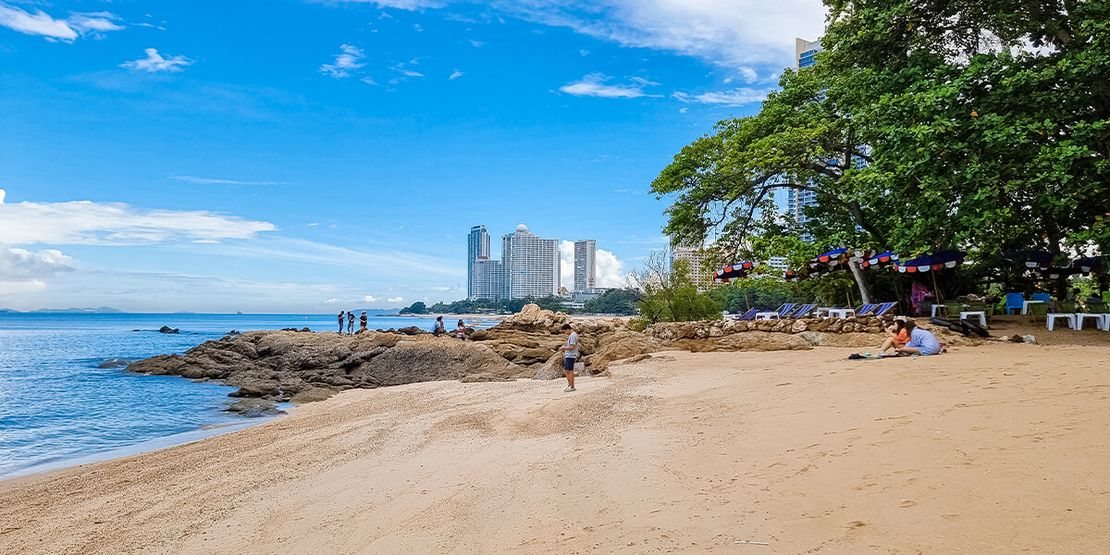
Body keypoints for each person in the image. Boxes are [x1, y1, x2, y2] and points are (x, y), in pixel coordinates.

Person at [557, 323, 579, 392]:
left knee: (569, 371)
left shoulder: (572, 336)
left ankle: (571, 386)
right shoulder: (573, 335)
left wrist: (563, 348)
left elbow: (572, 347)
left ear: (568, 329)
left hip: (571, 355)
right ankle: (570, 384)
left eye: (565, 331)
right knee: (566, 371)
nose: (565, 333)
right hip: (570, 355)